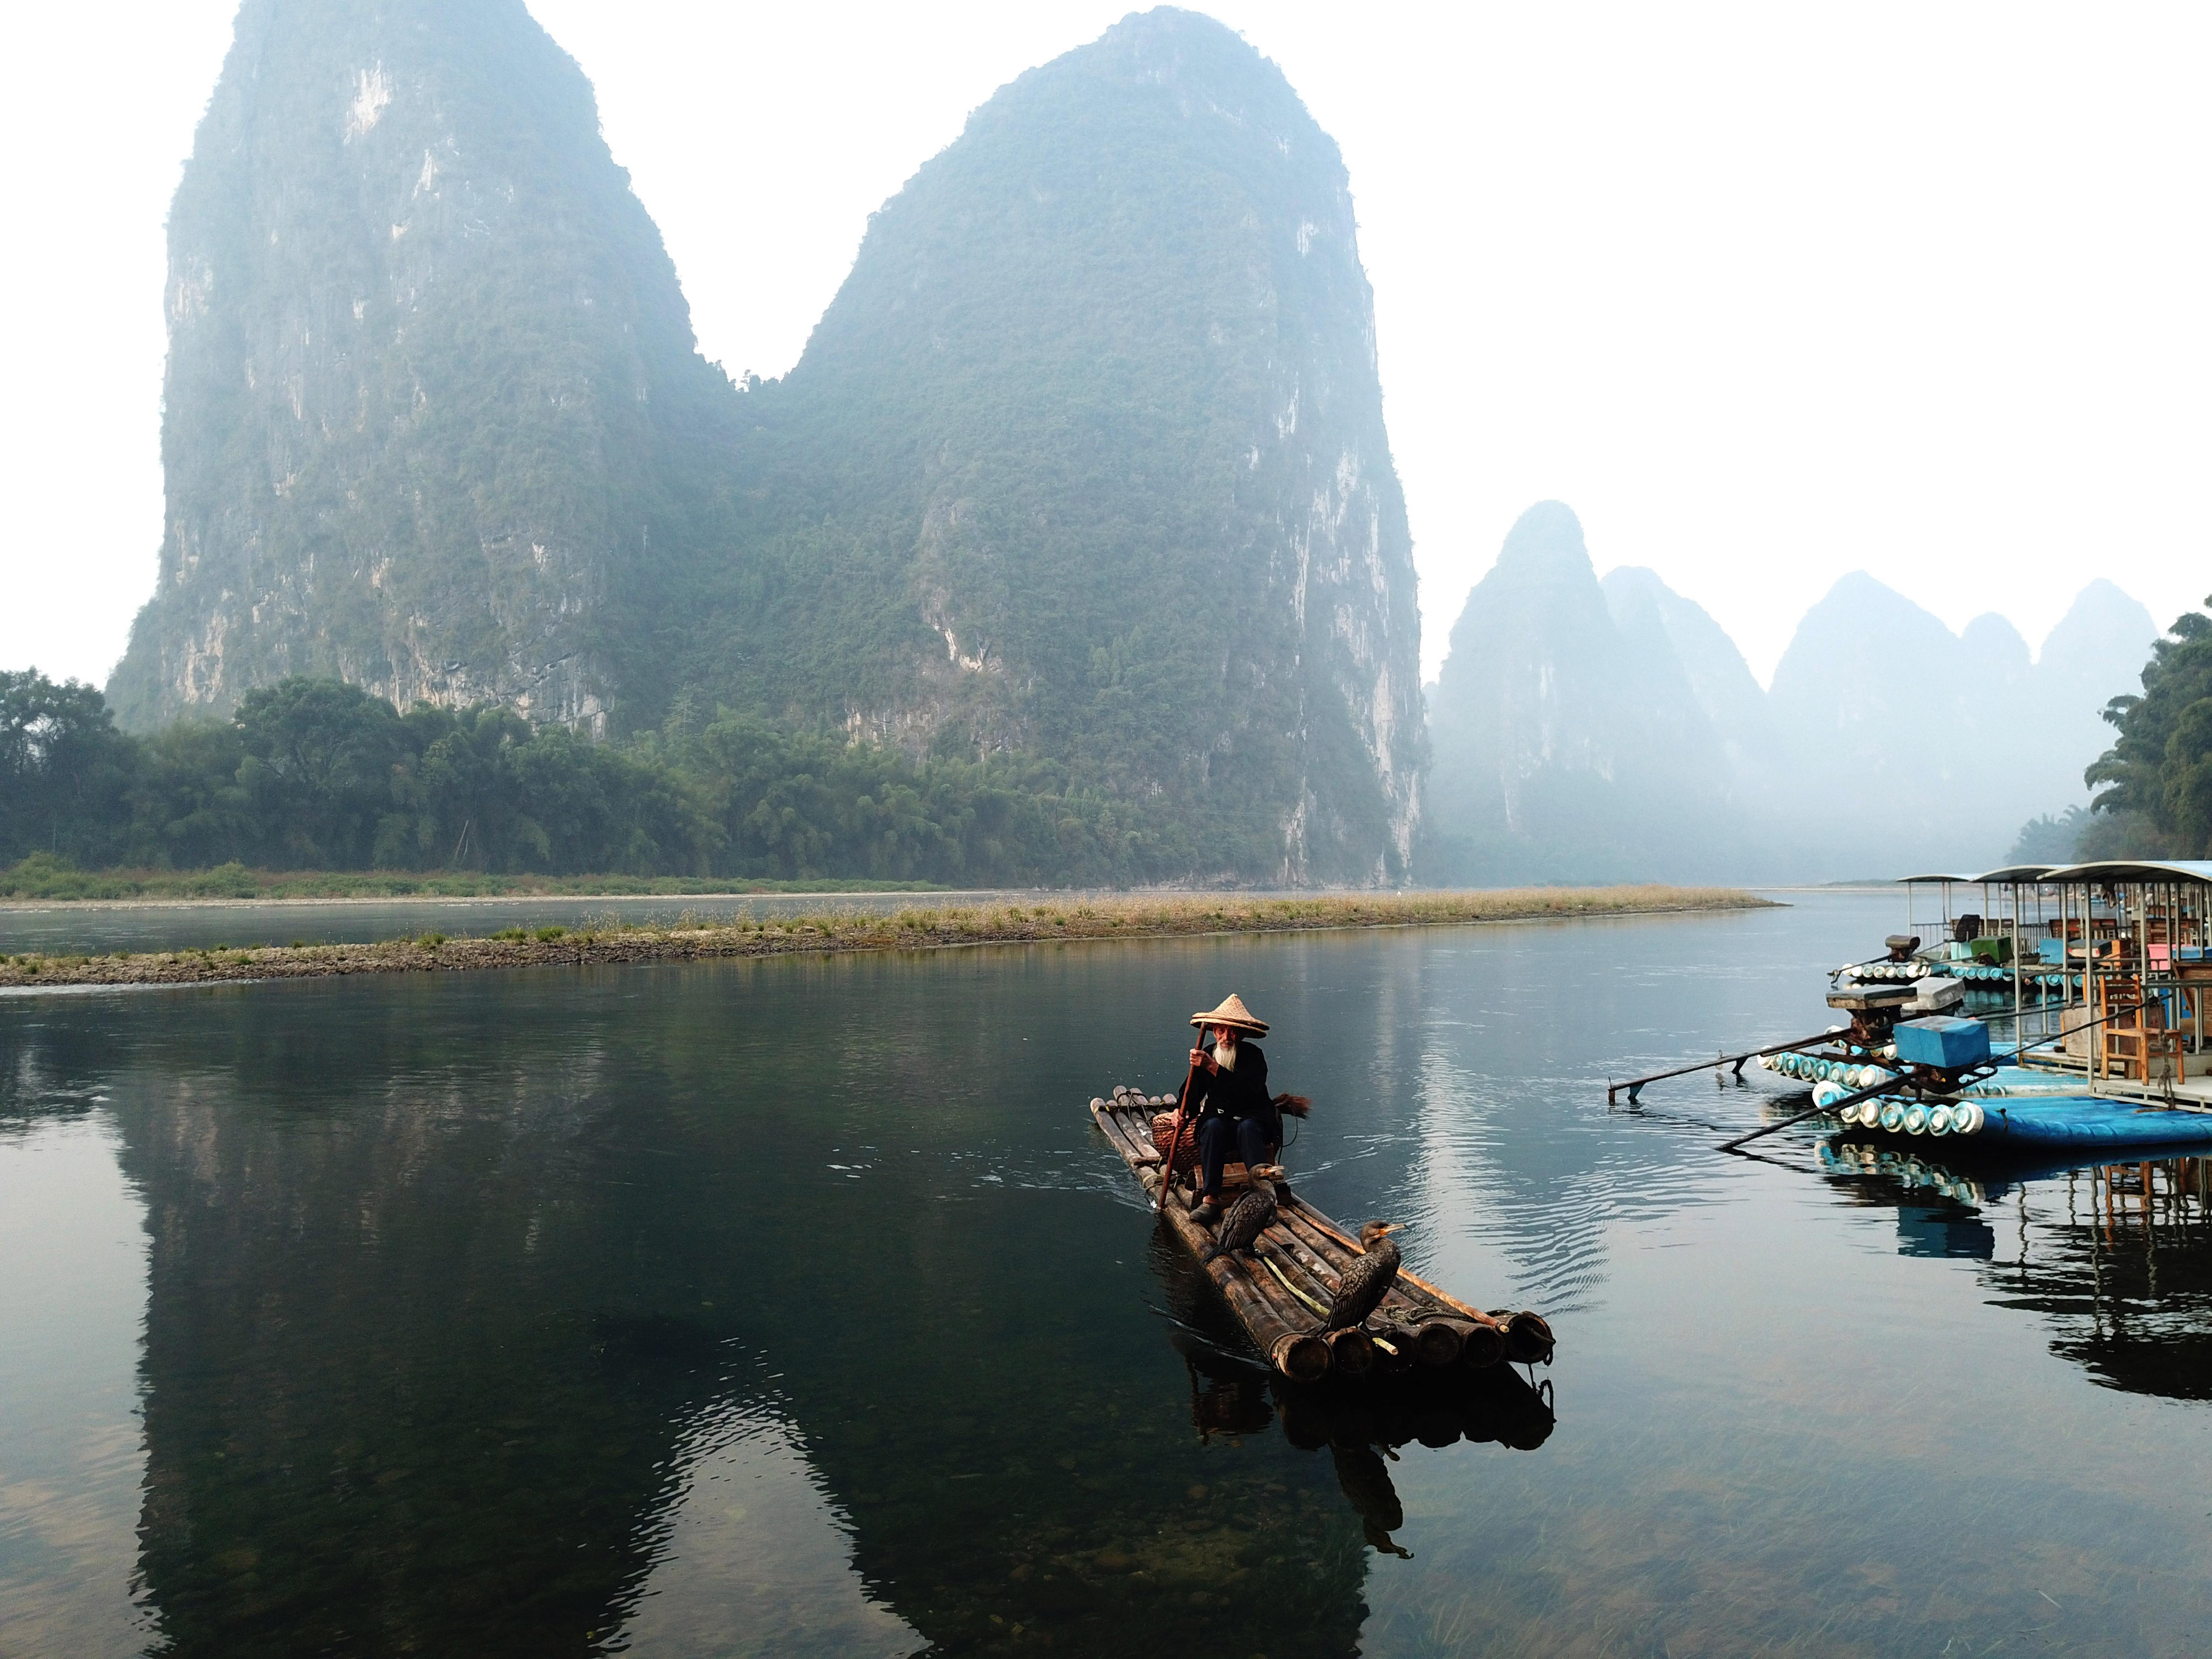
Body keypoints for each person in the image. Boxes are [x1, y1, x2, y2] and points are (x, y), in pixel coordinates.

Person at [1179, 994, 1277, 1225]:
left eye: (1232, 1031)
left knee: (1248, 1128)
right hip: (1220, 1120)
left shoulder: (1254, 1057)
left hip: (1253, 1117)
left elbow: (1248, 1092)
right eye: (1221, 1031)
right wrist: (1180, 1111)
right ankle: (1211, 1199)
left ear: (1241, 1033)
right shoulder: (1208, 1054)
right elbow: (1191, 1093)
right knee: (1212, 1126)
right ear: (1214, 1031)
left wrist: (1214, 1068)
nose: (1226, 1037)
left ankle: (1263, 1202)